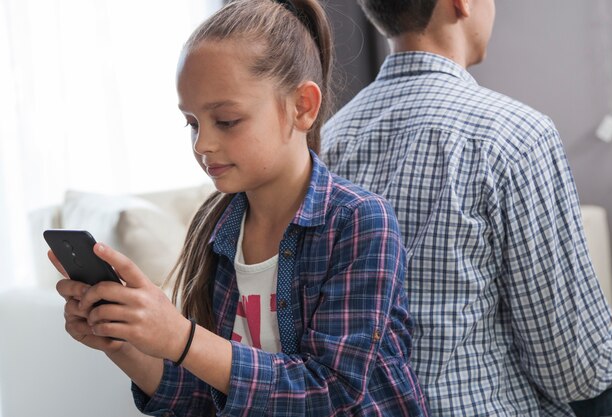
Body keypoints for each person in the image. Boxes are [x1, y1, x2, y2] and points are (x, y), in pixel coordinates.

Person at [50, 1, 430, 416]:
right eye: (193, 123)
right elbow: (206, 395)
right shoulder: (215, 224)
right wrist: (126, 344)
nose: (202, 144)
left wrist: (181, 338)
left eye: (227, 120)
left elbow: (331, 391)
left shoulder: (359, 221)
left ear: (302, 106)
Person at [321, 0, 612, 416]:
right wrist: (610, 334)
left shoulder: (326, 144)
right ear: (461, 3)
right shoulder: (517, 136)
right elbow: (574, 369)